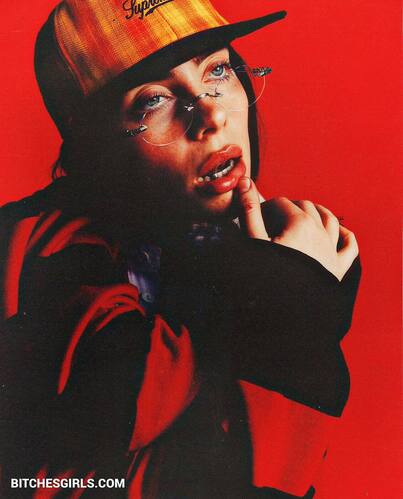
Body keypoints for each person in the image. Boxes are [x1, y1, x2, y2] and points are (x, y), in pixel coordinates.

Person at [0, 0, 361, 497]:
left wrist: (290, 292)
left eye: (218, 70)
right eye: (153, 99)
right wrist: (284, 295)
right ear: (95, 148)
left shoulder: (234, 248)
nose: (212, 112)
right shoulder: (40, 248)